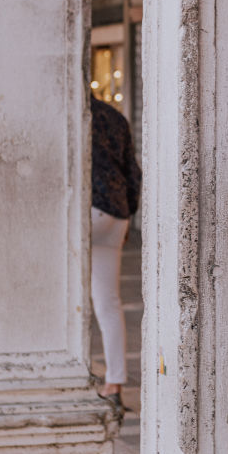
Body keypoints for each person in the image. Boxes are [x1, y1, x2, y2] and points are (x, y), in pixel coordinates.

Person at [91, 92, 141, 412]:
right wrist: (125, 218)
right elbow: (132, 173)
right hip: (116, 213)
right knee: (109, 301)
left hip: (87, 207)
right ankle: (114, 383)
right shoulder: (114, 116)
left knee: (70, 298)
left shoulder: (71, 114)